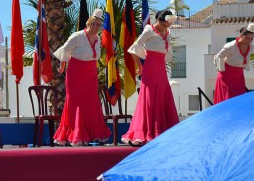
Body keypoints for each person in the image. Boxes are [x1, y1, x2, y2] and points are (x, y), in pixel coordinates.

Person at [53, 9, 111, 146]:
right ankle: (75, 134)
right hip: (76, 72)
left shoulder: (98, 39)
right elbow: (65, 50)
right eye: (94, 24)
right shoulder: (77, 36)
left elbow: (95, 57)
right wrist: (62, 67)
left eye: (99, 25)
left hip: (90, 73)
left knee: (91, 102)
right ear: (88, 24)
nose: (96, 27)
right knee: (75, 102)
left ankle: (94, 134)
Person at [121, 9, 179, 147]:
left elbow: (167, 53)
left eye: (168, 24)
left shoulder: (168, 34)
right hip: (150, 67)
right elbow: (134, 48)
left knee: (162, 96)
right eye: (165, 24)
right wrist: (139, 67)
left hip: (161, 69)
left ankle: (165, 131)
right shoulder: (149, 31)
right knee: (150, 98)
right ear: (158, 20)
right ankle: (145, 131)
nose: (167, 26)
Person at [213, 23, 254, 104]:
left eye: (251, 39)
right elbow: (219, 56)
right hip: (226, 75)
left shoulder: (251, 47)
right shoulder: (232, 46)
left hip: (239, 75)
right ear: (241, 36)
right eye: (247, 38)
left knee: (240, 99)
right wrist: (222, 70)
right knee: (228, 100)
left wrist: (245, 67)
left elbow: (246, 58)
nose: (249, 41)